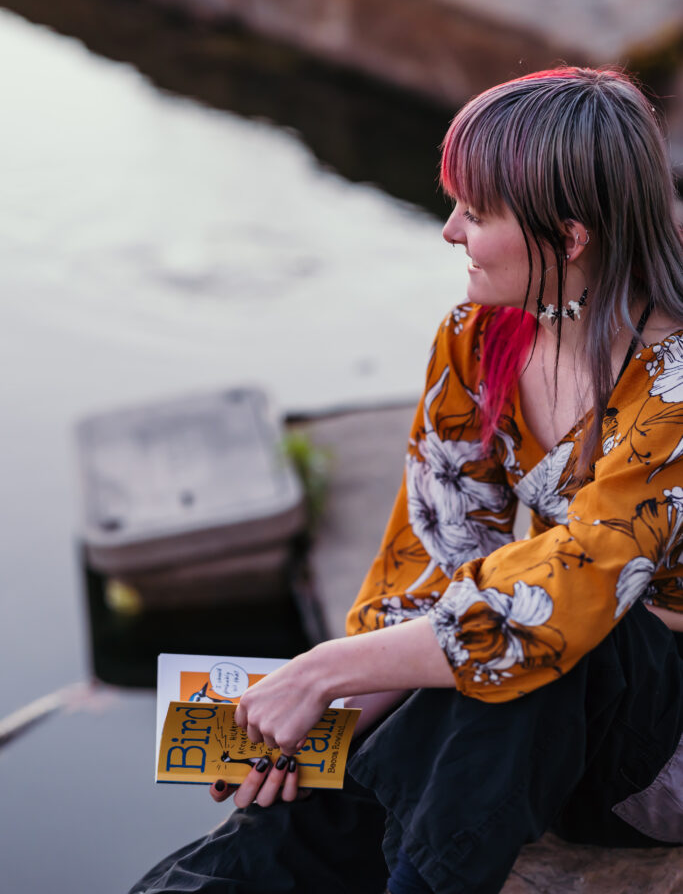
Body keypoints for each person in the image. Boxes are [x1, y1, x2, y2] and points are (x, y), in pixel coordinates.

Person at [129, 67, 683, 894]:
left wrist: (324, 670)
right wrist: (333, 716)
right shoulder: (479, 338)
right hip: (525, 729)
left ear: (568, 239)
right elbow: (431, 556)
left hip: (649, 743)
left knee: (556, 645)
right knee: (435, 694)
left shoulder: (673, 387)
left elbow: (569, 591)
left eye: (477, 212)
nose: (449, 231)